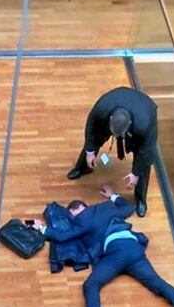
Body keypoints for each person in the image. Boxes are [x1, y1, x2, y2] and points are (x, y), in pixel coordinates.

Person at [32, 184, 174, 307]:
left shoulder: (83, 218)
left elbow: (62, 236)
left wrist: (42, 228)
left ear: (77, 210)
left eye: (72, 215)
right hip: (134, 248)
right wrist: (113, 196)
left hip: (116, 253)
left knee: (91, 284)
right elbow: (128, 208)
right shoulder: (107, 208)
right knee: (156, 282)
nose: (73, 219)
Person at [66, 87, 158, 218]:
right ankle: (82, 168)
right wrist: (90, 151)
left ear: (130, 124)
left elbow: (145, 151)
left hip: (145, 110)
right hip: (119, 107)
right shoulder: (101, 109)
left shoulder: (143, 124)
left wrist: (135, 173)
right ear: (110, 118)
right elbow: (91, 127)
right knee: (92, 143)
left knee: (145, 163)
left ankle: (141, 199)